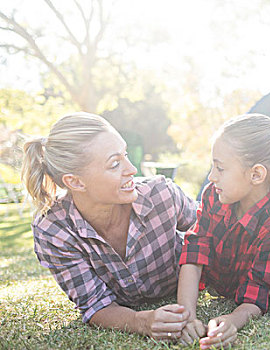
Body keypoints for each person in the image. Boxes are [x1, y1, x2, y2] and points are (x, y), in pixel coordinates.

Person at [21, 112, 197, 339]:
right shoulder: (53, 230)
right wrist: (141, 321)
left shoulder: (161, 194)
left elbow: (211, 234)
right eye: (115, 164)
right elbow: (94, 304)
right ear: (75, 181)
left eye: (125, 155)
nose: (132, 169)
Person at [176, 113, 270, 348]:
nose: (211, 176)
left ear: (256, 174)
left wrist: (232, 321)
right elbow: (194, 255)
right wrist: (187, 316)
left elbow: (255, 296)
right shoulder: (212, 195)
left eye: (220, 168)